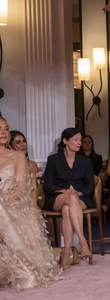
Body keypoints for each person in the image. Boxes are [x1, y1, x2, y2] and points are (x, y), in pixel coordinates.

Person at [0, 117, 62, 290]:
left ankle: (19, 265)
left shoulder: (17, 155)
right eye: (0, 129)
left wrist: (2, 196)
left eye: (6, 128)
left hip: (12, 204)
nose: (4, 132)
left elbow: (19, 190)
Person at [43, 128, 94, 270]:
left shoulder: (85, 161)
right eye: (76, 140)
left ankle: (66, 253)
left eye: (80, 140)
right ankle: (83, 242)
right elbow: (47, 185)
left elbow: (90, 185)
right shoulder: (53, 159)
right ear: (65, 141)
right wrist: (62, 191)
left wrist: (79, 192)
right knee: (69, 199)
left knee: (67, 209)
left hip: (80, 198)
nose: (80, 143)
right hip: (57, 198)